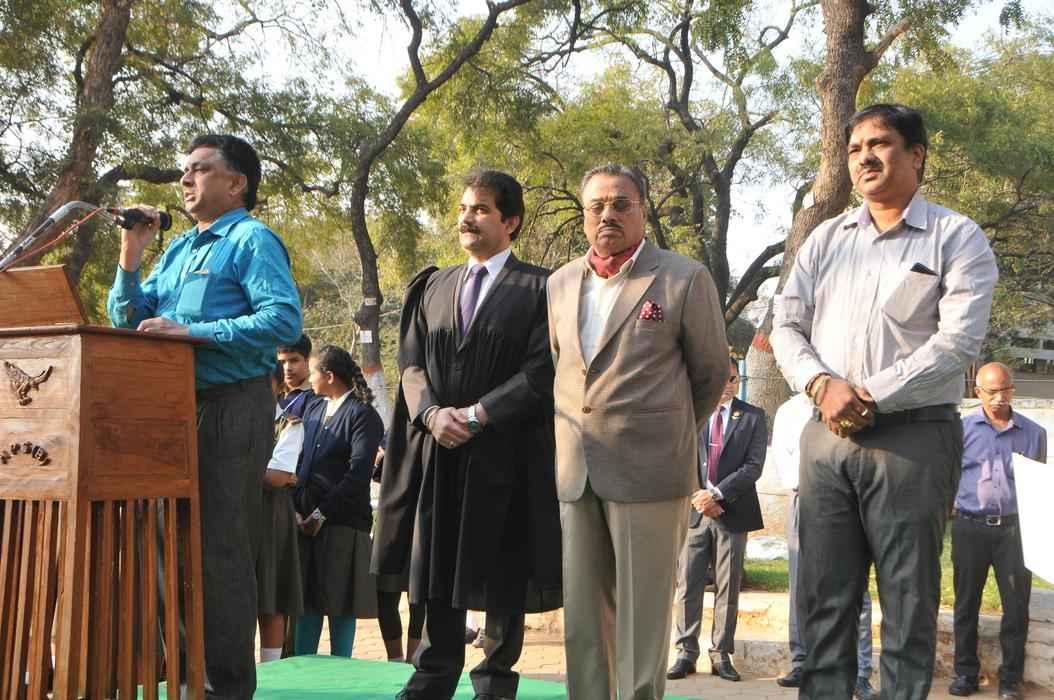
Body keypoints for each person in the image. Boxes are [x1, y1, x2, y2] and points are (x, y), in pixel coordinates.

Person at [770, 103, 999, 699]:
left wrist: (866, 393)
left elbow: (957, 343)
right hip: (826, 439)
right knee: (824, 602)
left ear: (916, 155)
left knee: (908, 603)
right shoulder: (826, 239)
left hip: (913, 439)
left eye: (880, 144)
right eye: (854, 148)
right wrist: (822, 386)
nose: (864, 157)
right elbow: (786, 325)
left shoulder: (956, 237)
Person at [107, 134, 301, 698]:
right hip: (171, 411)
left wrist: (192, 332)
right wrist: (131, 253)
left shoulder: (251, 239)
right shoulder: (178, 250)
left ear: (236, 183)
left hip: (230, 406)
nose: (185, 179)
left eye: (199, 169)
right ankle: (188, 680)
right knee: (168, 550)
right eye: (183, 170)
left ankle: (226, 688)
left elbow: (283, 319)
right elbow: (128, 319)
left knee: (217, 551)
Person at [372, 169, 562, 700]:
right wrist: (432, 414)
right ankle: (432, 677)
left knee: (505, 568)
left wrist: (480, 414)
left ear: (511, 221)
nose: (466, 218)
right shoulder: (433, 285)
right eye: (462, 209)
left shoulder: (543, 288)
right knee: (435, 563)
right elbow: (411, 364)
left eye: (480, 209)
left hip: (506, 451)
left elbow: (542, 370)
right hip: (439, 452)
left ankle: (495, 681)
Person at [546, 163, 729, 700]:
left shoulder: (683, 277)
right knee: (583, 621)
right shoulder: (560, 283)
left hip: (650, 474)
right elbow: (564, 367)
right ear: (584, 216)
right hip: (577, 471)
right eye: (596, 205)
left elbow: (710, 373)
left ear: (643, 211)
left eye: (621, 203)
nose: (608, 214)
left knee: (642, 618)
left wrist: (664, 436)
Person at [948, 362, 1048, 700]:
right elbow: (947, 476)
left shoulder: (1034, 434)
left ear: (1013, 389)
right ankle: (965, 674)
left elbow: (1038, 485)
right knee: (966, 605)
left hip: (1015, 533)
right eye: (991, 391)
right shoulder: (961, 430)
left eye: (1005, 389)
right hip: (970, 528)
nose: (999, 397)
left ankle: (1010, 680)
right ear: (978, 392)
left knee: (1016, 608)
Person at [771, 393, 877, 700]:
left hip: (846, 500)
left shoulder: (850, 401)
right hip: (802, 498)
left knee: (855, 588)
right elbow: (782, 456)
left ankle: (860, 672)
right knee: (801, 584)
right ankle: (802, 660)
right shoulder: (789, 411)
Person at [667, 358, 767, 684]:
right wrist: (699, 496)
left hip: (732, 512)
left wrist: (718, 495)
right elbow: (679, 458)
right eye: (721, 378)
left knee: (728, 586)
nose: (726, 385)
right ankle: (686, 652)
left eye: (733, 379)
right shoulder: (691, 412)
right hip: (694, 512)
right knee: (688, 584)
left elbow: (753, 467)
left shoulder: (752, 417)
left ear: (739, 381)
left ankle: (721, 653)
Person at [292, 345, 384, 657]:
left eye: (313, 372)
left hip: (342, 523)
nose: (309, 379)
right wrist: (296, 509)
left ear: (329, 376)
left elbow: (358, 473)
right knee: (307, 604)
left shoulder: (362, 416)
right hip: (305, 522)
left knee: (340, 604)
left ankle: (341, 670)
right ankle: (302, 670)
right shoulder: (313, 410)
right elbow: (298, 461)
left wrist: (321, 514)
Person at [256, 335, 314, 663]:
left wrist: (235, 469)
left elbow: (276, 476)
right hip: (238, 514)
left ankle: (270, 668)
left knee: (272, 596)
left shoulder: (290, 425)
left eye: (264, 384)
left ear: (278, 387)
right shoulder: (238, 422)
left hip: (272, 517)